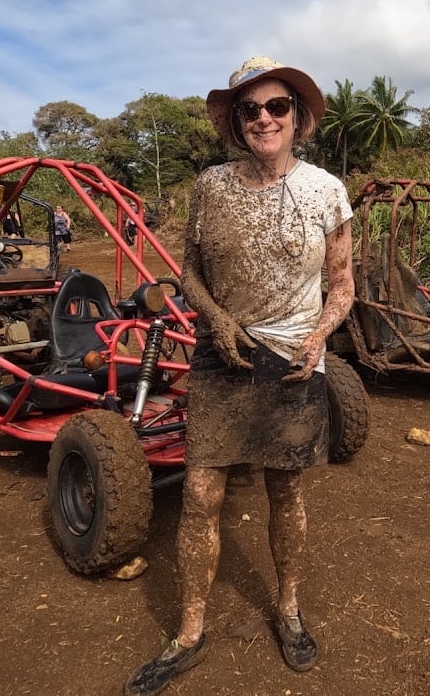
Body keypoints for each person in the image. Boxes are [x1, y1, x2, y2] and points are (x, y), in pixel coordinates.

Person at [124, 57, 354, 696]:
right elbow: (188, 270)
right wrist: (216, 317)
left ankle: (287, 608)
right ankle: (189, 633)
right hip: (221, 355)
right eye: (249, 109)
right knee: (200, 495)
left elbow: (342, 287)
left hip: (293, 361)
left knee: (286, 492)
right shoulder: (211, 187)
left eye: (276, 106)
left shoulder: (325, 191)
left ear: (298, 117)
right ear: (234, 121)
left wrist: (316, 338)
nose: (263, 118)